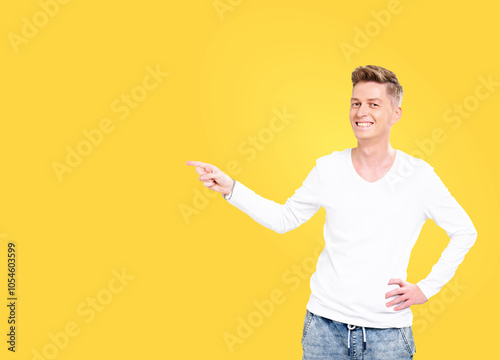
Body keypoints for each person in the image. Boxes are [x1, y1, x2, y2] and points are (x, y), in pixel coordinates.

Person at [186, 65, 477, 359]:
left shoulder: (419, 177)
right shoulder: (328, 169)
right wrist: (231, 188)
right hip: (323, 331)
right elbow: (284, 219)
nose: (362, 112)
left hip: (387, 335)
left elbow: (465, 232)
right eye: (356, 103)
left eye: (374, 104)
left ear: (396, 114)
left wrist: (426, 288)